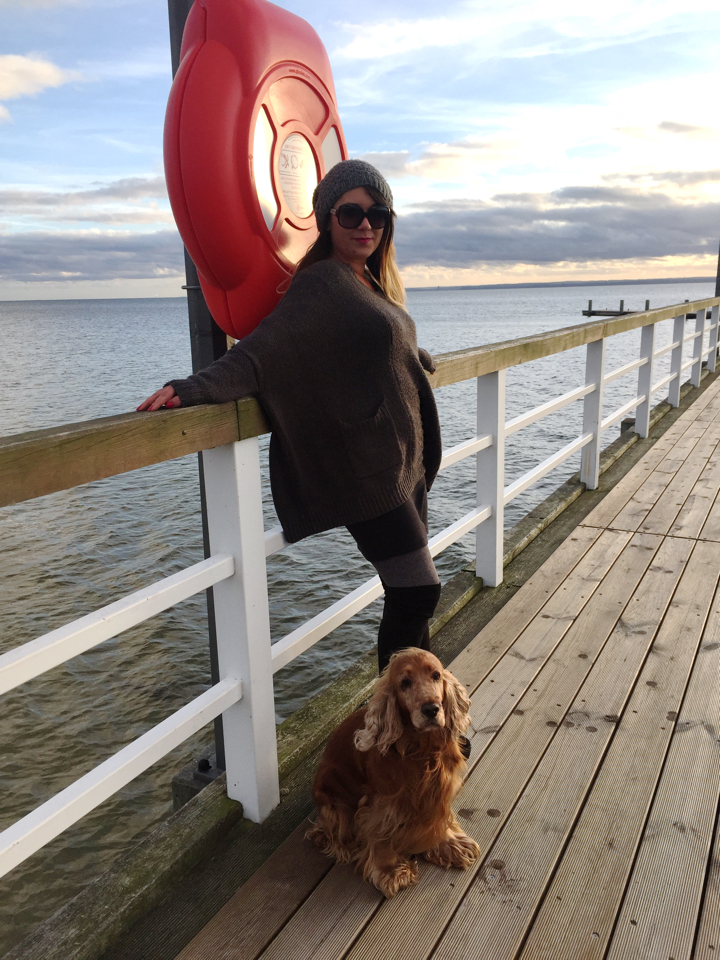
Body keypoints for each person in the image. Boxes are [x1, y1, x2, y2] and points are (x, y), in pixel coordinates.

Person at [138, 159, 443, 674]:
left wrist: (415, 357)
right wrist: (191, 388)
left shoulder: (369, 280)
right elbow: (262, 354)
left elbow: (378, 341)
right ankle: (392, 718)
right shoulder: (322, 283)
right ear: (326, 220)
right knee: (418, 592)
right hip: (369, 471)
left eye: (378, 214)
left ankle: (422, 717)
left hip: (400, 461)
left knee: (410, 596)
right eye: (350, 213)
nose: (366, 225)